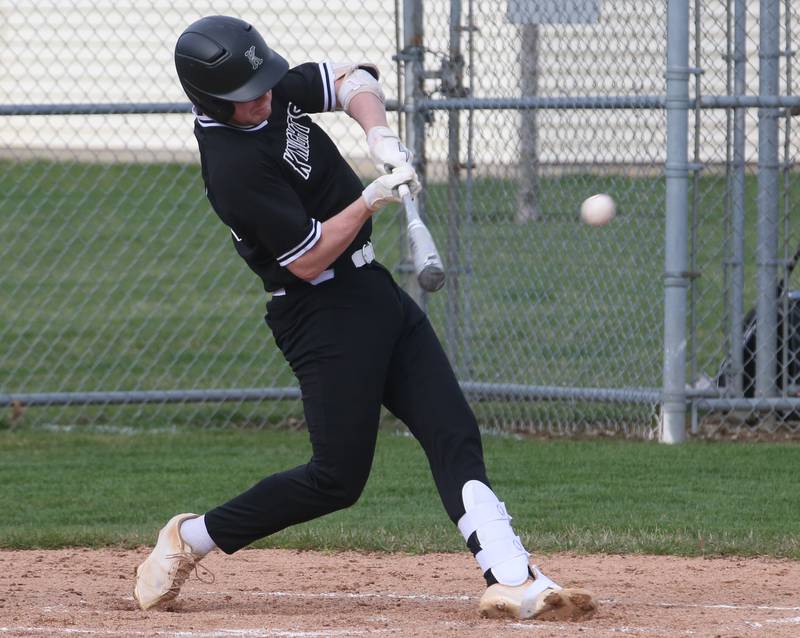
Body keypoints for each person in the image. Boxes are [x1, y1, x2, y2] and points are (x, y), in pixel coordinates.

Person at [133, 15, 597, 622]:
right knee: (336, 479)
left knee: (452, 430)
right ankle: (190, 539)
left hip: (372, 291)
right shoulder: (231, 168)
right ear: (211, 101)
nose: (266, 99)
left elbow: (351, 78)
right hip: (320, 313)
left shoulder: (265, 92)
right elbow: (308, 258)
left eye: (266, 85)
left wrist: (378, 136)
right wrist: (371, 198)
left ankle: (512, 576)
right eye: (249, 98)